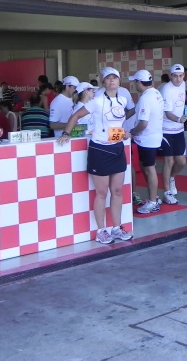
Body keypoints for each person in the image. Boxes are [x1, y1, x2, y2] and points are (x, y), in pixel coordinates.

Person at [57, 67, 134, 245]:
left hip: (117, 148)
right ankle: (101, 231)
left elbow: (115, 124)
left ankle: (117, 227)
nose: (112, 81)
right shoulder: (97, 101)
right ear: (103, 81)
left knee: (117, 191)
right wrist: (66, 133)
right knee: (101, 193)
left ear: (119, 81)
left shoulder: (122, 100)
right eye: (108, 78)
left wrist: (123, 133)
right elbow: (76, 115)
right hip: (100, 150)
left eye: (115, 78)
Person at [128, 70, 165, 214]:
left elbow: (143, 123)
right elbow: (136, 110)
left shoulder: (146, 98)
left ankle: (153, 202)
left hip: (147, 139)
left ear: (139, 82)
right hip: (152, 137)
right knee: (147, 168)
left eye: (134, 82)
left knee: (150, 170)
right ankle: (153, 197)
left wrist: (132, 132)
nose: (134, 84)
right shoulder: (155, 93)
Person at [160, 64, 187, 205]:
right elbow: (167, 112)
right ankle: (166, 192)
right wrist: (178, 119)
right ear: (170, 76)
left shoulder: (183, 84)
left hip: (179, 129)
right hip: (166, 129)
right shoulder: (166, 89)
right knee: (169, 161)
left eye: (180, 76)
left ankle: (171, 178)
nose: (178, 79)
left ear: (184, 75)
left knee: (182, 161)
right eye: (175, 76)